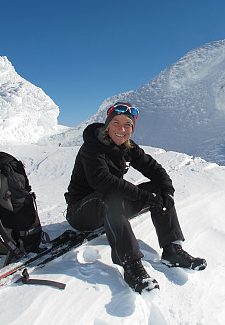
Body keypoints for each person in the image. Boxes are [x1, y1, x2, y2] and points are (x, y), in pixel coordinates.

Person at [65, 102, 206, 293]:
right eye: (116, 123)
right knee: (110, 195)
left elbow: (155, 170)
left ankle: (172, 250)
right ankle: (131, 265)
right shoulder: (92, 147)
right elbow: (102, 181)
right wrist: (143, 196)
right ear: (107, 124)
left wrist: (167, 192)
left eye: (127, 125)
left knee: (158, 189)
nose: (121, 129)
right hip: (82, 213)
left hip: (110, 208)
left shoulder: (128, 147)